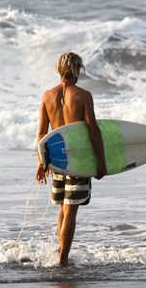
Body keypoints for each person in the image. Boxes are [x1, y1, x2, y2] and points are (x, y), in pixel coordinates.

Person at [36, 52, 106, 265]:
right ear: (78, 70)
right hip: (78, 161)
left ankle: (60, 254)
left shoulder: (47, 96)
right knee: (70, 210)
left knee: (62, 209)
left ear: (59, 70)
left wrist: (42, 162)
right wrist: (101, 161)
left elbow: (42, 133)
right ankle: (63, 260)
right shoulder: (84, 96)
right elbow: (93, 130)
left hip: (57, 160)